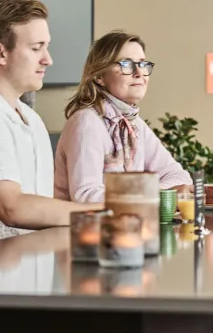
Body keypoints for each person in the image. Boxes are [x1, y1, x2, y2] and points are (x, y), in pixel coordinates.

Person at [0, 0, 101, 248]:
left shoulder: (31, 119)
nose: (48, 59)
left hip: (30, 272)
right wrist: (98, 214)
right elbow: (11, 207)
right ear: (0, 53)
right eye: (37, 48)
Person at [55, 30, 192, 203]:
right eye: (126, 64)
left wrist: (153, 194)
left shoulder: (134, 124)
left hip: (124, 226)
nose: (139, 73)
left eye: (142, 64)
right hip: (82, 229)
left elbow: (179, 176)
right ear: (99, 76)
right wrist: (154, 195)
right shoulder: (86, 122)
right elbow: (85, 196)